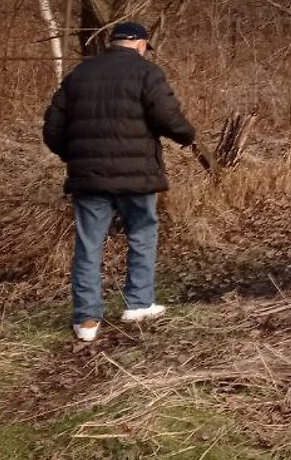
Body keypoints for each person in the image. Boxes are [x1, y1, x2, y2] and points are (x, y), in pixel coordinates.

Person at [42, 21, 206, 342]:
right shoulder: (147, 73)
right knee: (142, 234)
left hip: (88, 179)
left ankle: (87, 321)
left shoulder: (79, 75)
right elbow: (168, 117)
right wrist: (188, 135)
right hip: (137, 177)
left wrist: (77, 157)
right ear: (141, 44)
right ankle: (139, 303)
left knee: (89, 245)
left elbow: (52, 129)